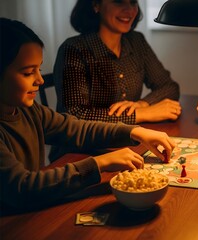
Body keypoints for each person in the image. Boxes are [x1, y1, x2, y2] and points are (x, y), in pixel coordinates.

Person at [0, 18, 175, 209]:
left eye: (39, 69)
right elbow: (24, 188)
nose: (40, 80)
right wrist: (99, 163)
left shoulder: (29, 111)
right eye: (27, 73)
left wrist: (134, 132)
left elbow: (76, 128)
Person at [54, 0, 181, 124]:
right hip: (89, 144)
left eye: (132, 2)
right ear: (96, 5)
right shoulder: (73, 49)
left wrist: (142, 104)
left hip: (130, 138)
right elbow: (74, 115)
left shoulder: (137, 41)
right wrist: (142, 114)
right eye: (118, 1)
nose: (129, 10)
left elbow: (169, 87)